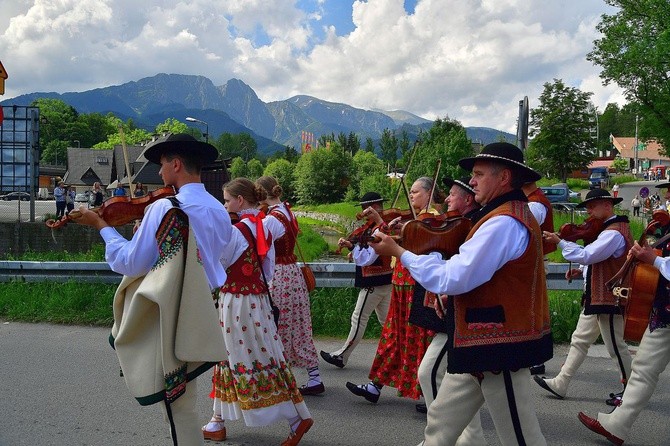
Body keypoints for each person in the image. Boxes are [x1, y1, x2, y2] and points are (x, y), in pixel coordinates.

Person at [370, 142, 552, 445]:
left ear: (504, 177)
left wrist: (400, 252)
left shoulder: (505, 221)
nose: (472, 181)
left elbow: (455, 277)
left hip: (500, 345)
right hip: (478, 340)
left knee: (522, 439)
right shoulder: (500, 215)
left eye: (479, 174)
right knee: (440, 426)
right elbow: (474, 276)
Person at [72, 133, 232, 446]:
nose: (159, 173)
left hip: (173, 311)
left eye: (161, 165)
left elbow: (131, 263)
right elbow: (207, 261)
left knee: (177, 405)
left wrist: (102, 227)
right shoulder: (218, 210)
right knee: (186, 396)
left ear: (176, 164)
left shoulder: (165, 209)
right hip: (207, 309)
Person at [203, 177, 313, 446]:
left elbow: (216, 269)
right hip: (257, 300)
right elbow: (267, 266)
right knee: (250, 355)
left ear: (240, 201)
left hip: (236, 302)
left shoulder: (236, 231)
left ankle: (296, 418)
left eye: (227, 199)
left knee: (240, 357)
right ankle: (217, 419)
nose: (224, 204)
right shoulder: (263, 226)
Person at [577, 191, 670, 445]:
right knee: (643, 369)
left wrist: (654, 260)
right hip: (665, 313)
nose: (668, 196)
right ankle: (617, 424)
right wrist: (649, 255)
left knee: (643, 369)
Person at [345, 176, 441, 406]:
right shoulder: (412, 219)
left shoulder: (434, 219)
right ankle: (374, 385)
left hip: (414, 284)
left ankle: (430, 396)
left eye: (416, 192)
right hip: (399, 281)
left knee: (414, 340)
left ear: (429, 193)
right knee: (392, 336)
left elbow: (418, 245)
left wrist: (383, 222)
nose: (411, 196)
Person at [534, 189, 633, 406]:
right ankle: (561, 382)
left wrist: (560, 242)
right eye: (587, 206)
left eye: (592, 205)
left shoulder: (613, 232)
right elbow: (598, 259)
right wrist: (583, 270)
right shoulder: (609, 230)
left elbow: (589, 254)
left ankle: (632, 391)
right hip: (598, 297)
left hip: (609, 298)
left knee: (616, 346)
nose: (588, 211)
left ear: (608, 205)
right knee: (579, 340)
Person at [412, 175, 486, 444]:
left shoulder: (474, 225)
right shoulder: (460, 223)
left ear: (467, 199)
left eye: (453, 195)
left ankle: (441, 439)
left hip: (461, 313)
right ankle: (468, 439)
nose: (447, 200)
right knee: (466, 384)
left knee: (430, 372)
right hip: (457, 312)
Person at [255, 176, 325, 396]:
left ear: (261, 194)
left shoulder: (271, 220)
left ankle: (279, 379)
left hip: (280, 274)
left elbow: (261, 249)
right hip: (292, 272)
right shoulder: (286, 211)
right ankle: (313, 377)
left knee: (278, 324)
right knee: (298, 325)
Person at [320, 192, 393, 369]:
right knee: (388, 325)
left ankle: (342, 356)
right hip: (386, 281)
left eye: (365, 208)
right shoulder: (376, 228)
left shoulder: (379, 229)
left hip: (373, 283)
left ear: (374, 207)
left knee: (359, 318)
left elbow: (367, 259)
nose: (363, 212)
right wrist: (351, 245)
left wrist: (353, 247)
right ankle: (398, 357)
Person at [523, 180, 557, 376]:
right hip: (533, 261)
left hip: (534, 262)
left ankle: (536, 358)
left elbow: (524, 228)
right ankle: (534, 356)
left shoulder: (535, 204)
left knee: (532, 309)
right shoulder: (534, 201)